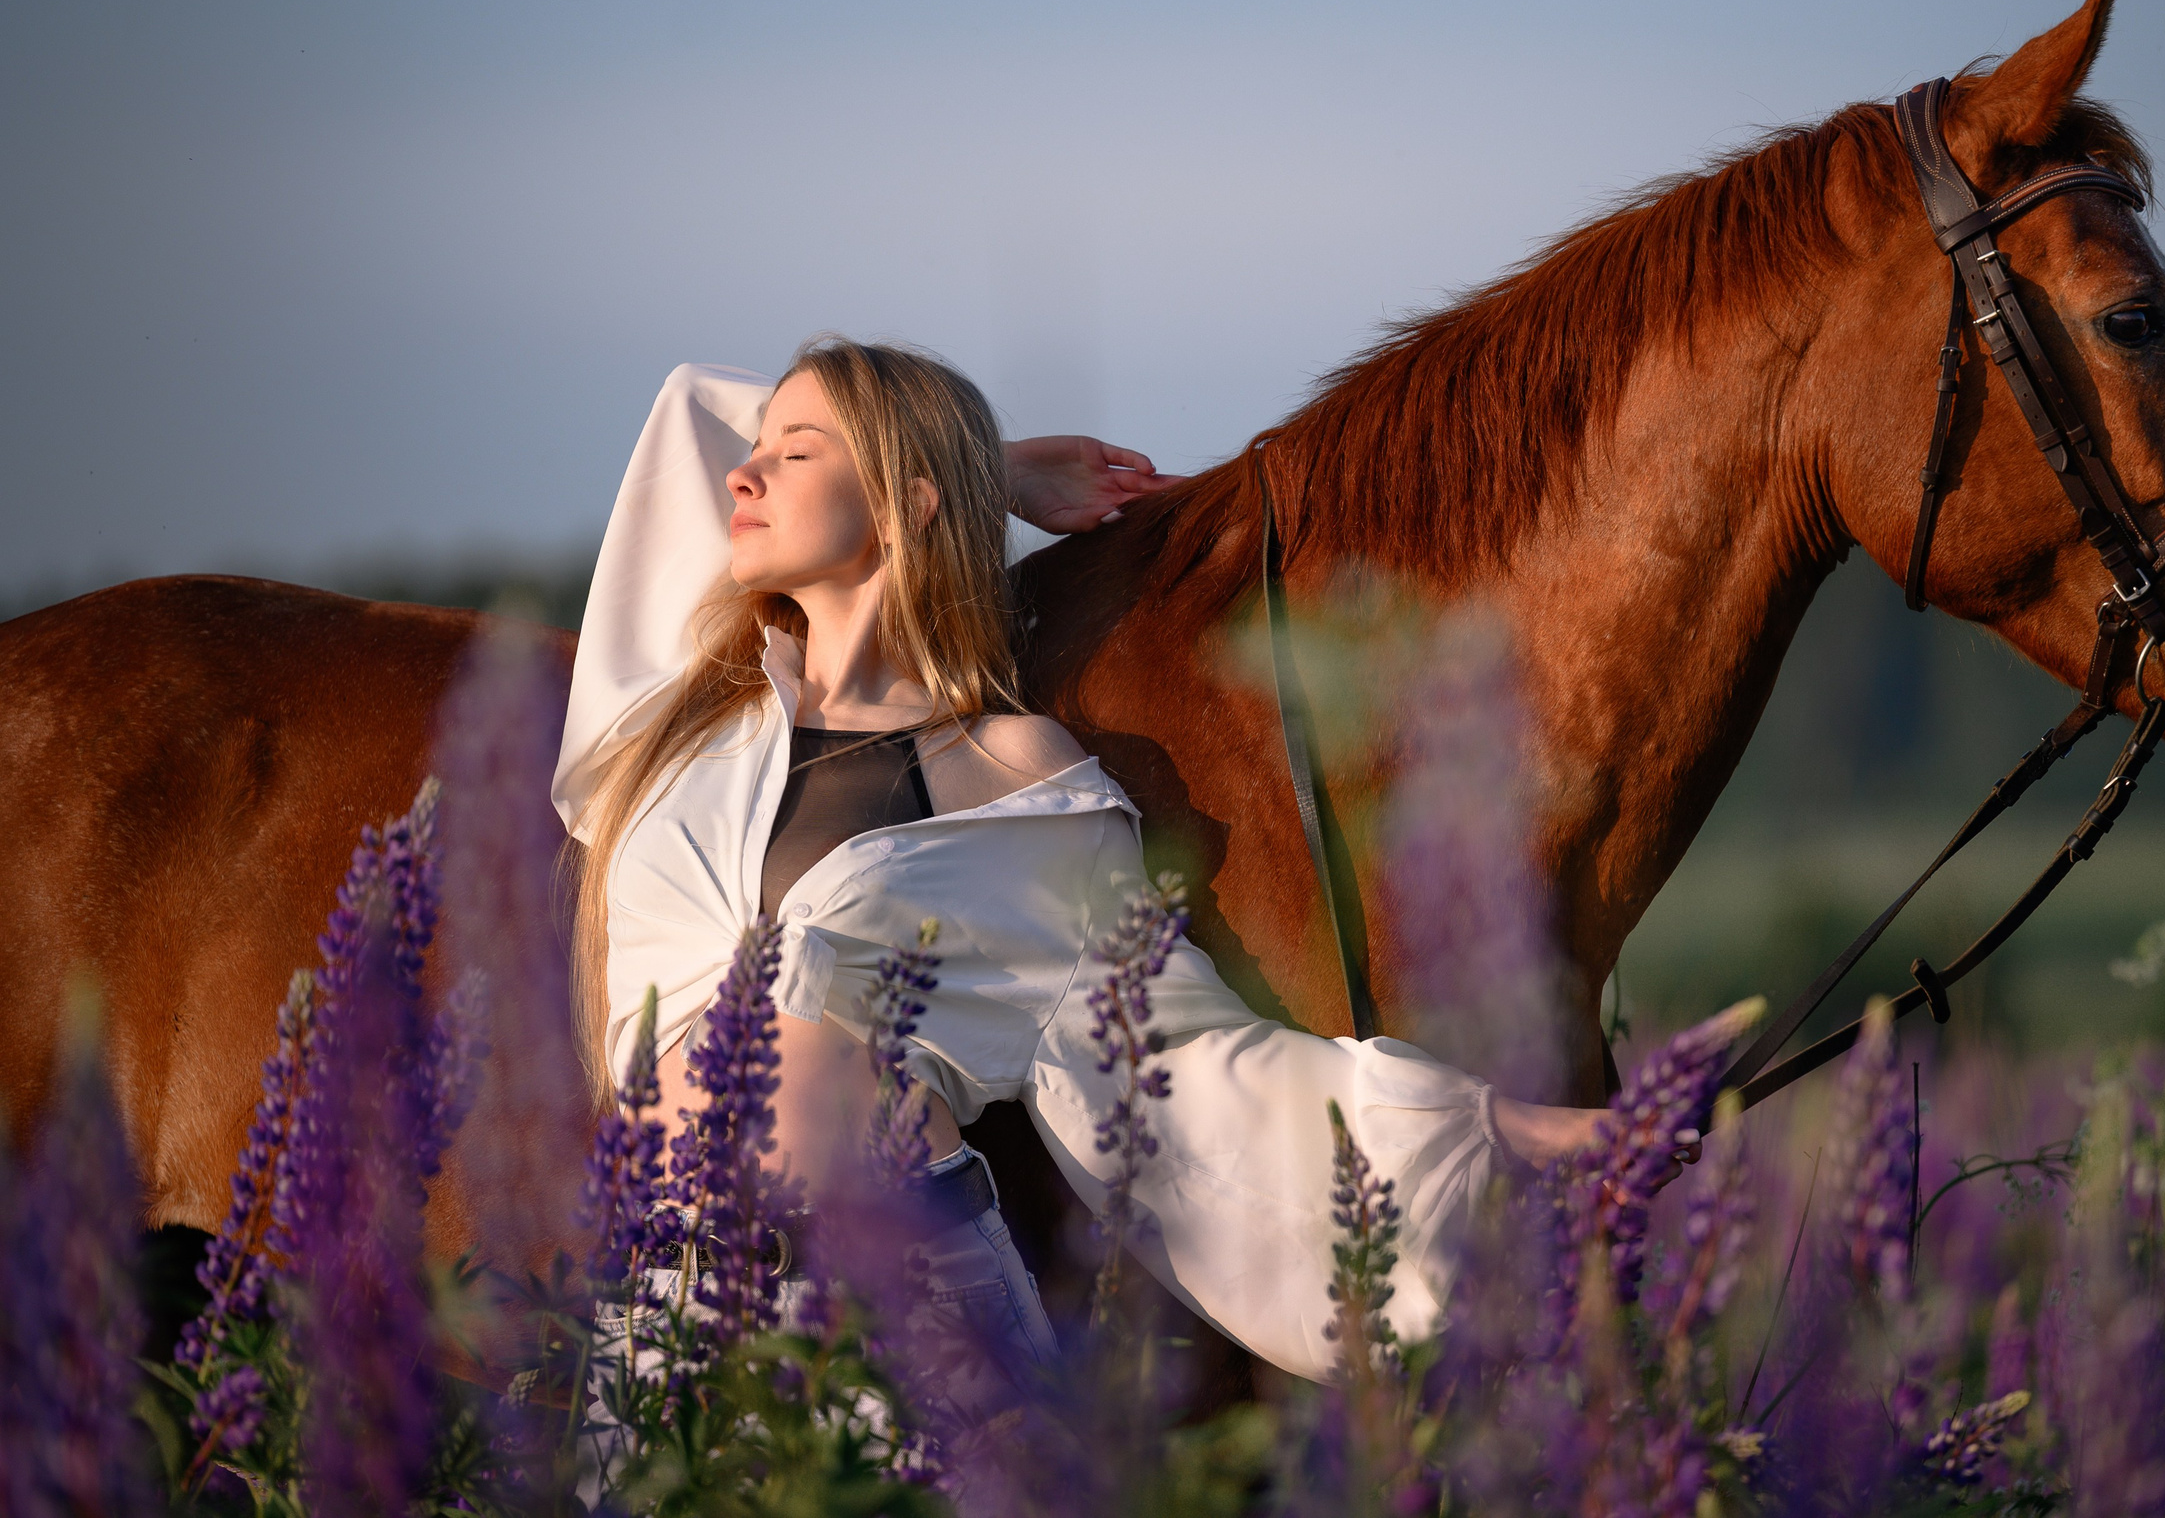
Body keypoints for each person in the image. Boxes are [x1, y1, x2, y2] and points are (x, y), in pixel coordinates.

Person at [550, 340, 1614, 1400]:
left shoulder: (1007, 776)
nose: (745, 475)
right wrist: (994, 470)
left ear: (906, 500)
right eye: (757, 451)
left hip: (890, 1315)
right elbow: (687, 416)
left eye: (794, 452)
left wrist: (1489, 1126)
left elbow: (1181, 1055)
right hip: (656, 1314)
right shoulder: (676, 716)